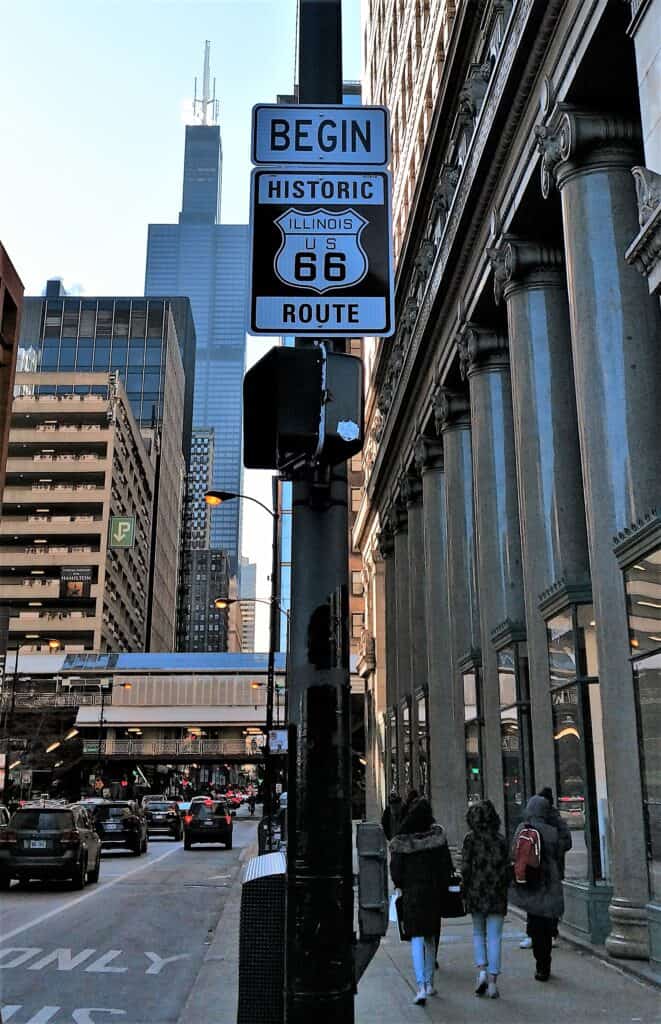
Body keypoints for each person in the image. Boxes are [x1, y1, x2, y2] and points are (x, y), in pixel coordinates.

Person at [389, 797, 454, 1006]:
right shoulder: (437, 839)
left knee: (416, 937)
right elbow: (446, 868)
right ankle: (430, 982)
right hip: (433, 893)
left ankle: (420, 986)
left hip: (412, 895)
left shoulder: (402, 841)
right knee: (430, 938)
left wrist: (401, 885)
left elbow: (396, 872)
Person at [509, 795, 565, 982]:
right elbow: (564, 846)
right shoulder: (551, 831)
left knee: (535, 921)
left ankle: (540, 963)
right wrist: (557, 818)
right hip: (549, 882)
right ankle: (544, 964)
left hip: (531, 883)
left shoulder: (522, 829)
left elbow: (514, 852)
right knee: (546, 925)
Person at [461, 799, 510, 1000]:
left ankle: (481, 971)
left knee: (478, 933)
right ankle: (492, 983)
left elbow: (465, 868)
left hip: (476, 892)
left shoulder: (470, 840)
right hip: (497, 894)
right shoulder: (500, 840)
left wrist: (466, 886)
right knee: (495, 937)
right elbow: (507, 868)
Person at [519, 787, 572, 949]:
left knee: (546, 902)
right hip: (542, 869)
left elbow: (565, 842)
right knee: (538, 902)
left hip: (549, 869)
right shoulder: (533, 822)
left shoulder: (554, 821)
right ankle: (537, 933)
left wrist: (552, 848)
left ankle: (549, 933)